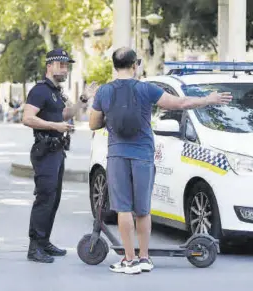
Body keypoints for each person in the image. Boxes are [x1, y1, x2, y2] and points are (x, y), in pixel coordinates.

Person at [89, 47, 233, 274]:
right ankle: (144, 258)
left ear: (114, 66)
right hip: (144, 154)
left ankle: (129, 260)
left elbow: (93, 123)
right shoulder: (147, 89)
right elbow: (181, 103)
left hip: (117, 153)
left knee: (123, 210)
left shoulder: (104, 92)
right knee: (143, 210)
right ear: (135, 65)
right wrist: (208, 99)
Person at [22, 48, 98, 263]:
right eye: (61, 64)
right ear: (50, 65)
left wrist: (83, 99)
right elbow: (27, 118)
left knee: (53, 199)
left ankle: (44, 241)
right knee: (44, 198)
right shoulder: (40, 90)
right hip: (45, 151)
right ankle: (35, 247)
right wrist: (54, 126)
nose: (65, 69)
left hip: (57, 151)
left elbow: (65, 114)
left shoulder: (56, 92)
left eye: (67, 65)